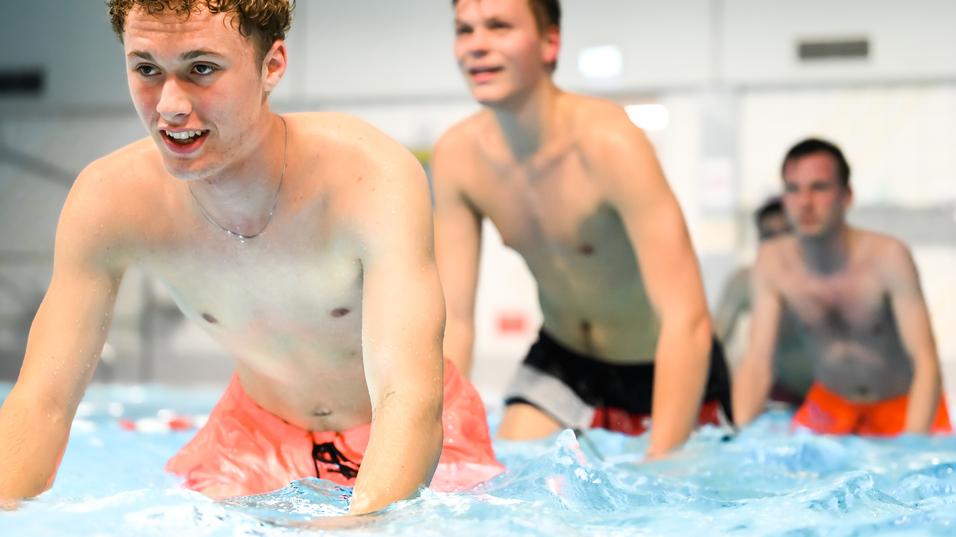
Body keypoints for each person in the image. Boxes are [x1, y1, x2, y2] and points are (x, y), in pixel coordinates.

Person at [0, 0, 501, 514]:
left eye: (202, 69)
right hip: (252, 434)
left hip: (400, 425)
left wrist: (361, 524)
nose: (169, 105)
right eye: (147, 69)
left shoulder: (369, 177)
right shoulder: (109, 200)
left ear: (272, 65)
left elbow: (407, 397)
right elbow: (43, 403)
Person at [433, 0, 731, 458]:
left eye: (498, 27)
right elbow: (456, 320)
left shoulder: (611, 144)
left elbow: (687, 319)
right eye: (464, 30)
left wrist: (663, 464)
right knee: (508, 478)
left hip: (662, 363)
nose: (477, 46)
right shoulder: (459, 158)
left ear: (550, 43)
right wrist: (443, 442)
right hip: (564, 360)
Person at [733, 138, 950, 436]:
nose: (805, 203)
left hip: (903, 404)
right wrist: (736, 435)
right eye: (793, 189)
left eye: (819, 188)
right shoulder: (773, 262)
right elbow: (757, 361)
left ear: (847, 196)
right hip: (831, 405)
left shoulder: (887, 257)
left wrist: (912, 443)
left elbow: (925, 361)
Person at [714, 197, 812, 406]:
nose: (778, 244)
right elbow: (713, 343)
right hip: (779, 392)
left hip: (831, 393)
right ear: (759, 240)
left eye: (786, 233)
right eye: (769, 236)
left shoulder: (827, 280)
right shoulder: (745, 282)